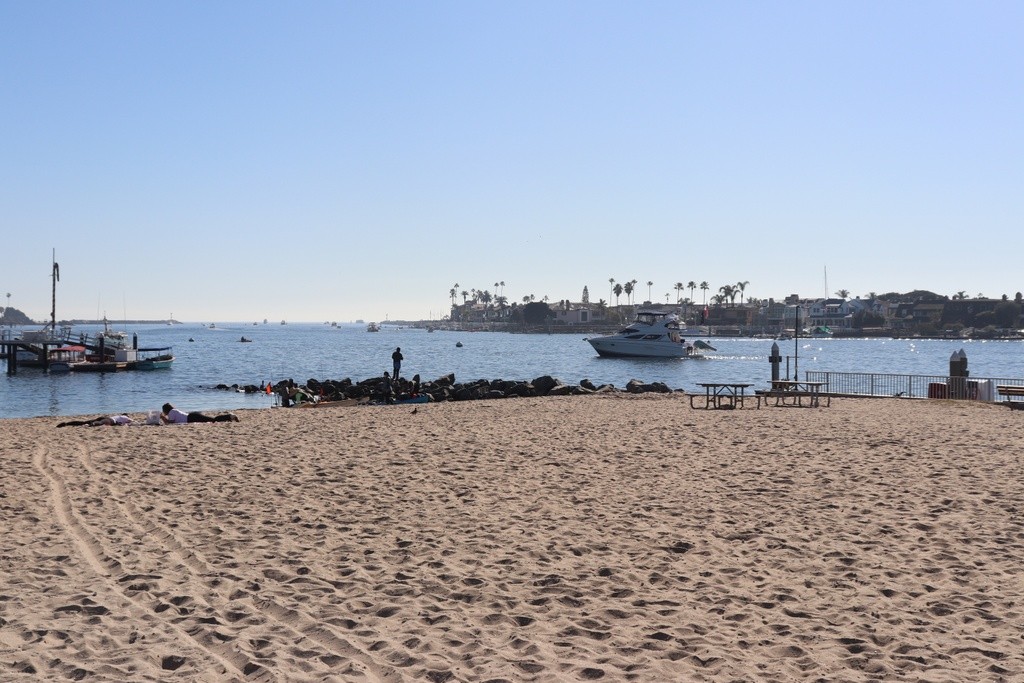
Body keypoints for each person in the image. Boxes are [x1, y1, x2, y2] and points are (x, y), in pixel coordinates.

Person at [160, 403, 239, 424]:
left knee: (213, 420)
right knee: (212, 420)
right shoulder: (173, 411)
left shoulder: (172, 412)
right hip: (192, 416)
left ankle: (230, 416)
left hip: (191, 418)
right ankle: (229, 417)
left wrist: (162, 417)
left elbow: (170, 422)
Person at [57, 414, 133, 428]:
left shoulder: (118, 417)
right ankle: (90, 425)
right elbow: (131, 421)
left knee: (84, 421)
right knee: (100, 423)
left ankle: (67, 424)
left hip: (105, 417)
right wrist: (130, 420)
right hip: (109, 420)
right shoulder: (125, 417)